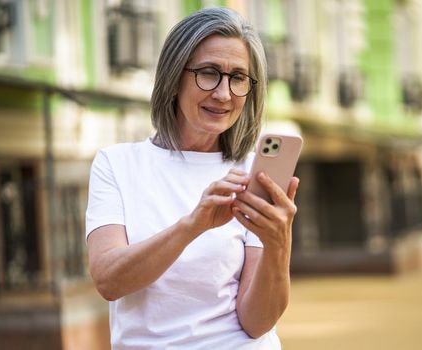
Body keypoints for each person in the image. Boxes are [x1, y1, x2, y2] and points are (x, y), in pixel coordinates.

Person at [86, 7, 299, 349]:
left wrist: (279, 244)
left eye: (238, 78)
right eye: (209, 73)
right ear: (173, 79)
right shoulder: (116, 164)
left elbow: (257, 322)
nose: (223, 94)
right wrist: (193, 225)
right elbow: (109, 280)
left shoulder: (252, 175)